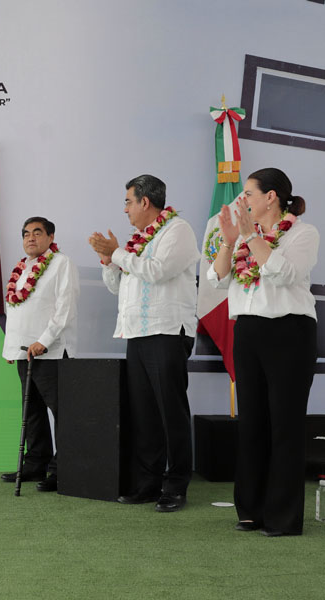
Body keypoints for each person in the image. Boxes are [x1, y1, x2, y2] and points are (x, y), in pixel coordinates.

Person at [210, 168, 318, 536]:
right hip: (249, 329)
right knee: (252, 422)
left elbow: (283, 272)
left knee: (284, 425)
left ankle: (283, 518)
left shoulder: (303, 233)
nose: (244, 201)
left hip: (289, 330)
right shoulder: (244, 238)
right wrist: (229, 241)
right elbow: (217, 278)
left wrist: (249, 236)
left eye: (250, 195)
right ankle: (251, 511)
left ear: (271, 197)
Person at [88, 174, 199, 512]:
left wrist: (118, 253)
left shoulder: (177, 230)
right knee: (145, 414)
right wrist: (109, 260)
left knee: (170, 412)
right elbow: (118, 287)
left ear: (145, 202)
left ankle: (176, 486)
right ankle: (148, 484)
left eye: (127, 202)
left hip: (167, 331)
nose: (125, 210)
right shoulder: (137, 240)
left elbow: (158, 271)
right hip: (136, 332)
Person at [0, 217, 79, 492]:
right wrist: (11, 347)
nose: (30, 238)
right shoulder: (21, 269)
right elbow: (15, 311)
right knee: (31, 412)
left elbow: (64, 308)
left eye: (37, 232)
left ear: (50, 236)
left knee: (62, 412)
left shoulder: (61, 263)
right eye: (25, 234)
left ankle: (62, 470)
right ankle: (35, 465)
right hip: (24, 353)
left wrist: (44, 341)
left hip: (51, 352)